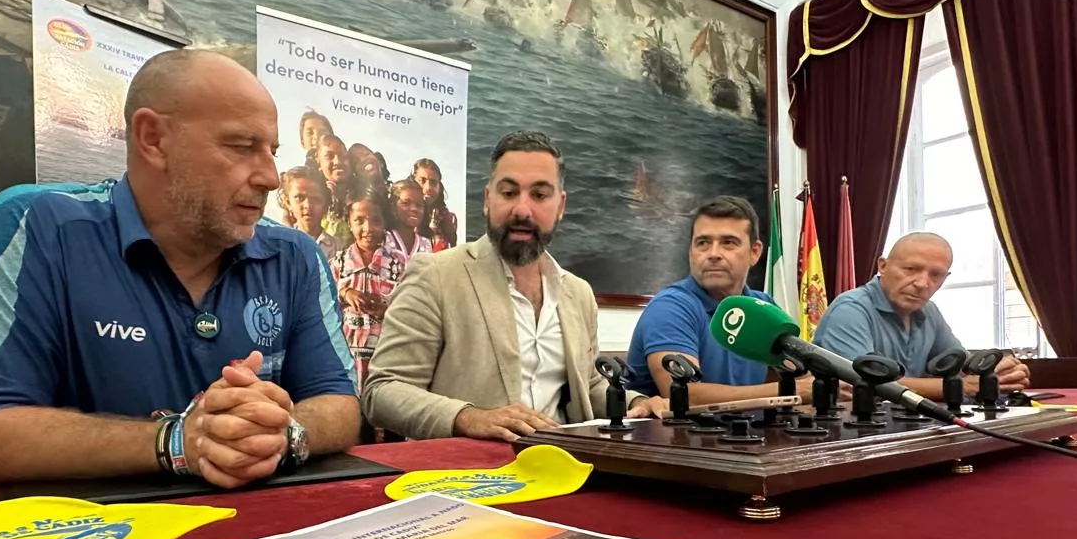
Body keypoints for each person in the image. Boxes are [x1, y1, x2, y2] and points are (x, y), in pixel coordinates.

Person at [0, 50, 360, 488]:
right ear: (153, 138)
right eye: (242, 146)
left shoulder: (296, 255)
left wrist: (283, 433)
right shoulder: (36, 227)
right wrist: (179, 442)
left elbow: (339, 404)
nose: (270, 176)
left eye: (271, 151)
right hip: (83, 538)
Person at [363, 131, 660, 441]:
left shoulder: (578, 294)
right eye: (508, 193)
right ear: (488, 200)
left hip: (566, 469)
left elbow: (587, 385)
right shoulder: (435, 276)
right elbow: (383, 392)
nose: (522, 209)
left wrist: (635, 403)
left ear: (561, 206)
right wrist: (467, 417)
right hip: (471, 478)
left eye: (540, 195)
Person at [813, 231, 1031, 397]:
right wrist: (962, 387)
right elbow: (861, 383)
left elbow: (961, 365)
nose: (922, 283)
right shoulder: (850, 309)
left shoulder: (928, 311)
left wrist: (999, 370)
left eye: (936, 275)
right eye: (910, 269)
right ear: (883, 266)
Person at [627, 195, 779, 405]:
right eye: (703, 243)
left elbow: (797, 379)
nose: (713, 254)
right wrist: (787, 391)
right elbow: (685, 395)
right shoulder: (671, 307)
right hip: (677, 437)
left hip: (748, 434)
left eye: (728, 243)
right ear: (691, 251)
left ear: (754, 253)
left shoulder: (764, 306)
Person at [331, 195, 409, 387]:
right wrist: (345, 293)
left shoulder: (396, 266)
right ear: (349, 223)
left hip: (383, 354)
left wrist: (386, 309)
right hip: (345, 353)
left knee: (379, 403)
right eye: (359, 220)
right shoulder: (338, 263)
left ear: (384, 224)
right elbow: (325, 300)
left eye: (375, 220)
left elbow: (406, 307)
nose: (368, 228)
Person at [278, 165, 343, 257]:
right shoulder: (278, 246)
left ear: (326, 204)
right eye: (299, 197)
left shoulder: (339, 250)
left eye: (315, 199)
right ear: (288, 203)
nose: (307, 206)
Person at [413, 158, 458, 250]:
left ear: (439, 187)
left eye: (433, 182)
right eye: (422, 180)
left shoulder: (447, 218)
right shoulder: (404, 215)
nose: (428, 187)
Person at [385, 177, 434, 258]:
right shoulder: (384, 239)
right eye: (406, 203)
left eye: (419, 205)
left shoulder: (426, 244)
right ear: (393, 207)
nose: (414, 209)